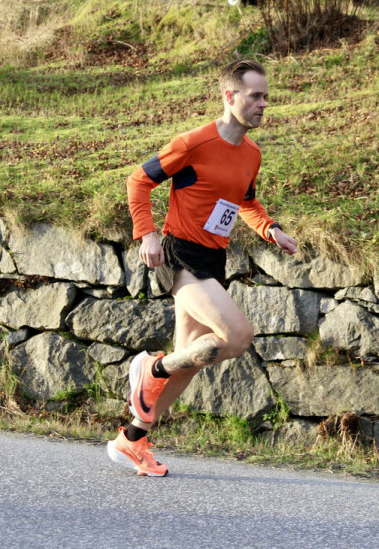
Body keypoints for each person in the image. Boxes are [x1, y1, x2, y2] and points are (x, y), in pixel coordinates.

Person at [108, 59, 298, 476]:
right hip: (181, 255)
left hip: (214, 259)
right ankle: (151, 368)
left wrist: (271, 230)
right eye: (255, 96)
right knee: (237, 336)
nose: (263, 104)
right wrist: (147, 234)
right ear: (230, 96)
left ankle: (133, 439)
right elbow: (138, 181)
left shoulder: (252, 153)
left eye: (266, 96)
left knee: (190, 360)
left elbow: (245, 202)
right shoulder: (193, 143)